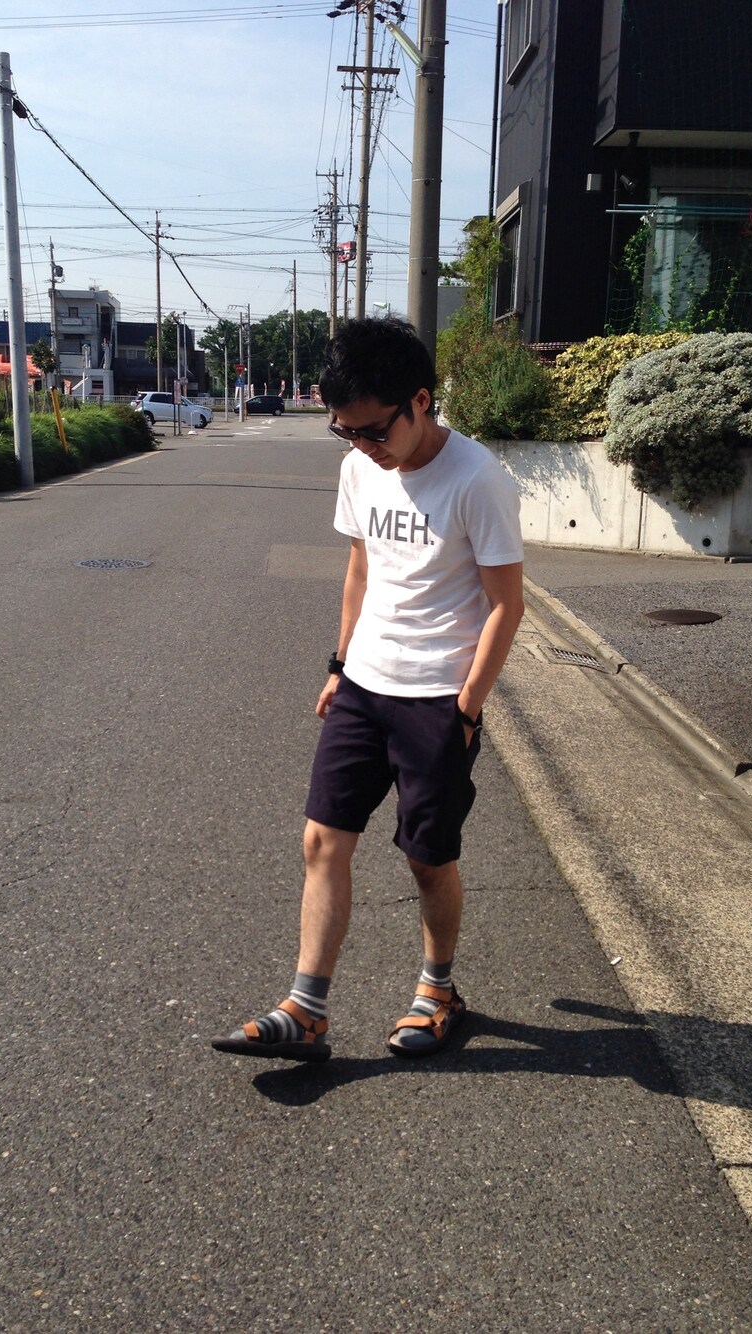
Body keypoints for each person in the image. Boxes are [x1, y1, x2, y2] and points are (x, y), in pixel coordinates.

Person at [212, 317, 524, 1063]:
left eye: (374, 430)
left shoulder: (478, 480)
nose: (362, 446)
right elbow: (361, 566)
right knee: (322, 840)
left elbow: (507, 605)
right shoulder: (360, 465)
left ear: (421, 400)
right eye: (345, 432)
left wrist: (467, 710)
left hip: (437, 698)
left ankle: (438, 991)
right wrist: (338, 664)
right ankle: (306, 1010)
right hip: (363, 685)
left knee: (427, 857)